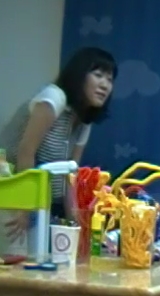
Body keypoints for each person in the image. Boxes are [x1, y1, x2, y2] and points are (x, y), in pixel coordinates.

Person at [0, 46, 117, 241]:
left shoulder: (84, 121)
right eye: (98, 75)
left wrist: (77, 226)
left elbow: (70, 176)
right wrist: (24, 208)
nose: (105, 85)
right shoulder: (54, 97)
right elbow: (26, 151)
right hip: (10, 192)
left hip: (40, 204)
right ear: (79, 75)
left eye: (110, 79)